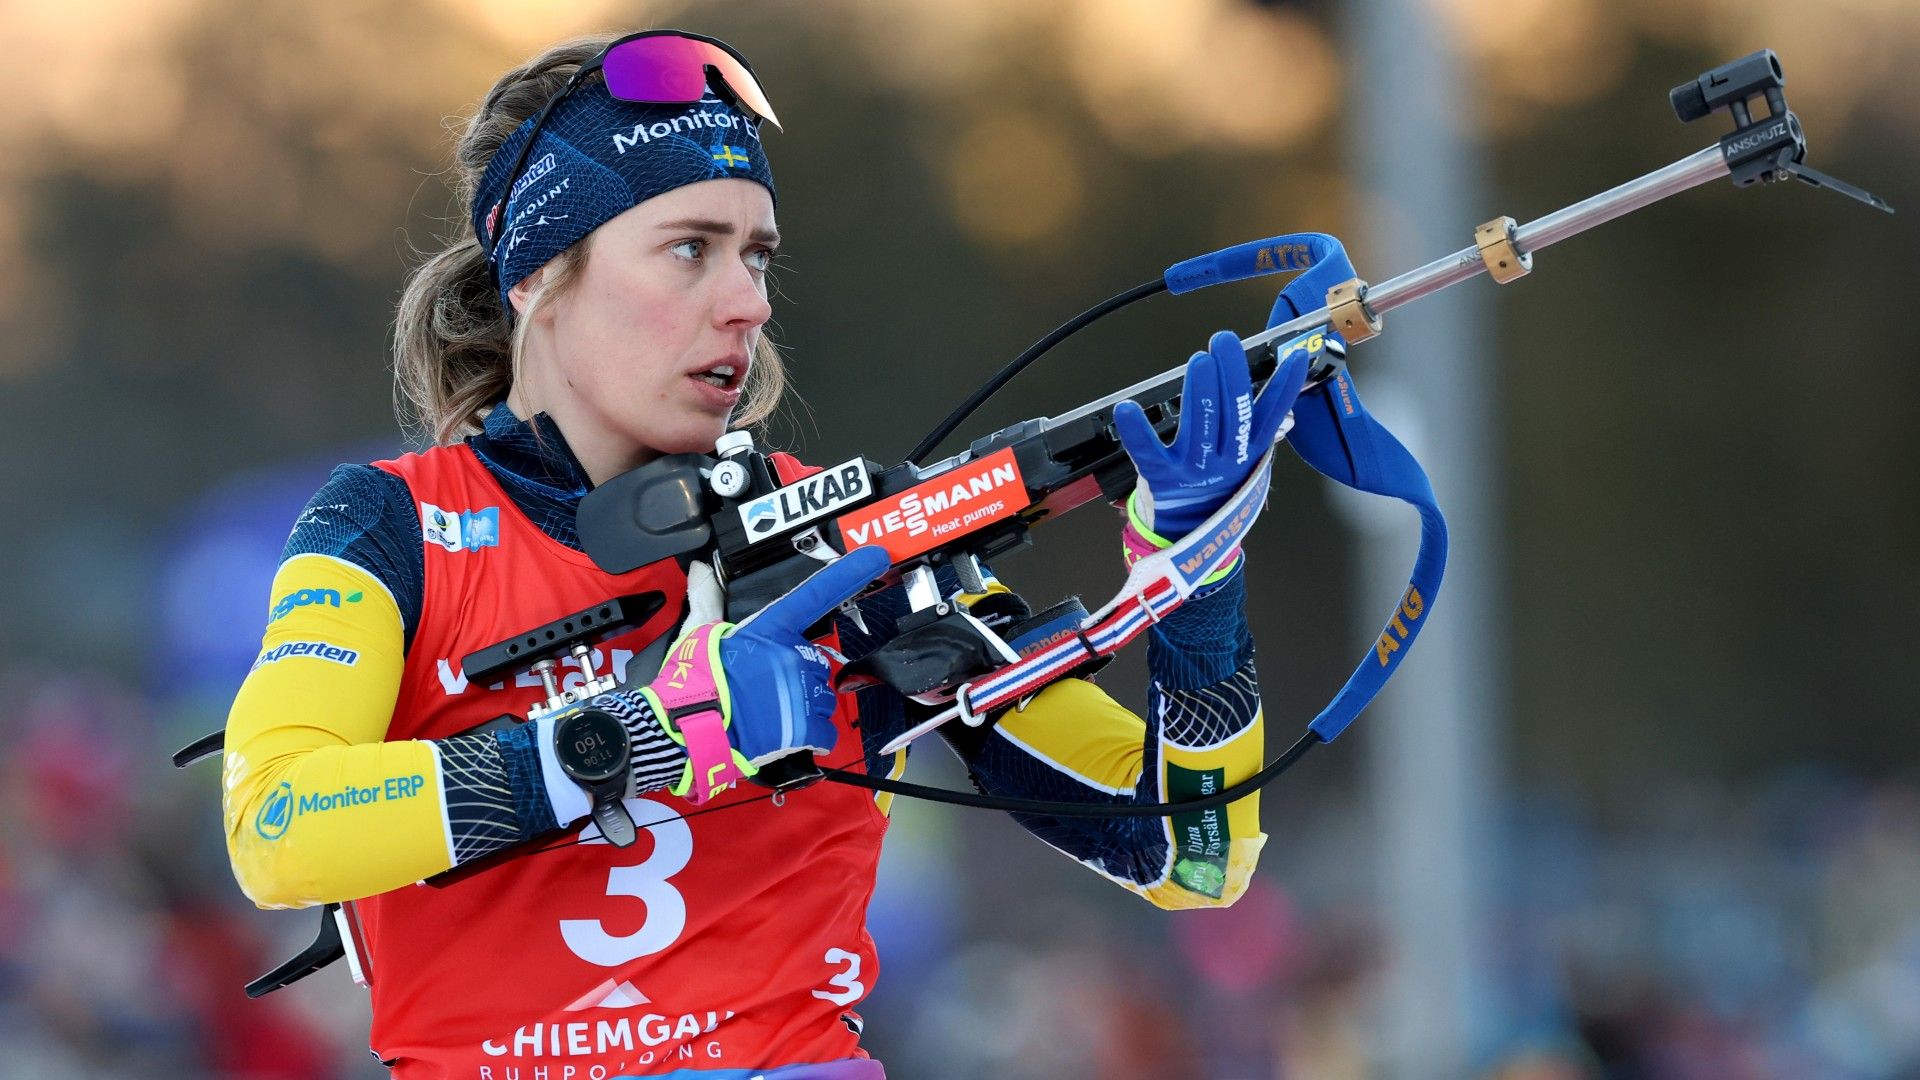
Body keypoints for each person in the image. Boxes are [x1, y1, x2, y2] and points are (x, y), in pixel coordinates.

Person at [221, 29, 1303, 1079]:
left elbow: (1192, 860)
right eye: (690, 248)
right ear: (541, 275)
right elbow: (275, 824)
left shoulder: (841, 539)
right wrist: (637, 739)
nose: (748, 304)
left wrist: (1196, 585)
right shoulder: (391, 526)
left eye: (757, 256)